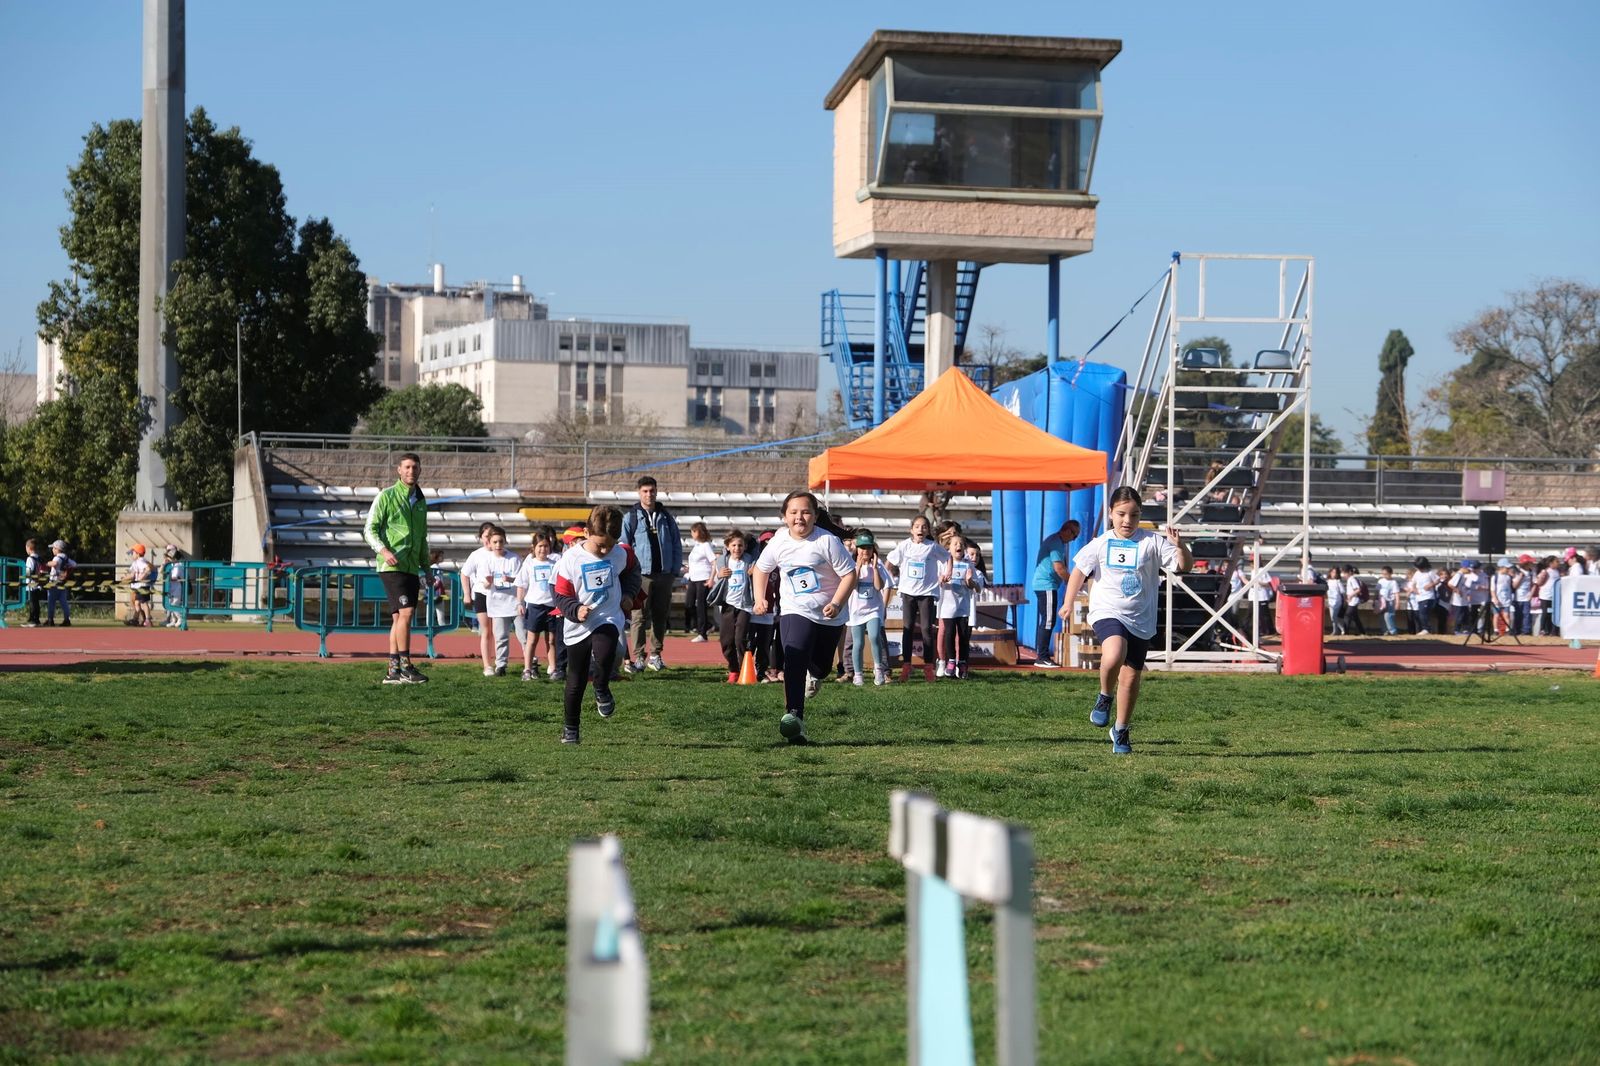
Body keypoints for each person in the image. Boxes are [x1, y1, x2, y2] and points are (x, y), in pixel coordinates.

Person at [1059, 487, 1192, 755]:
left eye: (1134, 515)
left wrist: (1181, 547)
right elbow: (1079, 571)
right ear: (1111, 513)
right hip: (1107, 610)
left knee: (1130, 679)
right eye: (1121, 514)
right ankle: (1104, 696)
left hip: (1141, 618)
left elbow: (1184, 567)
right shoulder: (1101, 543)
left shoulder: (1152, 542)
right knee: (1114, 653)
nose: (1127, 520)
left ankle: (1120, 730)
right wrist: (1068, 602)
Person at [752, 491, 858, 745]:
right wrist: (759, 599)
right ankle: (794, 717)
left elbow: (850, 575)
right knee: (794, 655)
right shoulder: (779, 540)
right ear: (784, 516)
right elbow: (760, 569)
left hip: (830, 615)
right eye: (793, 512)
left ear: (815, 516)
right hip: (795, 609)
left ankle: (815, 675)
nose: (799, 517)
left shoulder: (827, 541)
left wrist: (836, 603)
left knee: (821, 667)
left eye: (806, 512)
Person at [551, 505, 640, 744]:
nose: (604, 550)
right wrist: (575, 609)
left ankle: (601, 687)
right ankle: (571, 728)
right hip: (578, 624)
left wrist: (629, 594)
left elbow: (633, 570)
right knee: (576, 679)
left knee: (607, 650)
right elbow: (559, 594)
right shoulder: (570, 559)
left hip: (607, 616)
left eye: (609, 545)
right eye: (600, 545)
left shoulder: (621, 553)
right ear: (586, 533)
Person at [363, 452, 430, 684]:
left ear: (420, 470)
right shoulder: (386, 496)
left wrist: (427, 568)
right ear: (399, 470)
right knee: (407, 613)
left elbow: (422, 538)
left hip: (411, 568)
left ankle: (392, 672)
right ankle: (406, 666)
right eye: (407, 467)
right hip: (391, 566)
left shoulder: (420, 501)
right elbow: (369, 529)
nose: (411, 471)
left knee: (399, 619)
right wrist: (384, 551)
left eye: (415, 467)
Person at [620, 475, 682, 673]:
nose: (649, 494)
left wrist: (673, 570)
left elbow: (676, 544)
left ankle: (655, 655)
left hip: (664, 574)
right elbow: (624, 546)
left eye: (652, 491)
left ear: (657, 491)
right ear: (639, 493)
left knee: (660, 615)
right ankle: (639, 656)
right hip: (641, 575)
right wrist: (628, 572)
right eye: (645, 491)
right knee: (638, 616)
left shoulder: (666, 517)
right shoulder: (630, 518)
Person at [886, 515, 948, 680]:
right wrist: (886, 579)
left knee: (927, 629)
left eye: (924, 526)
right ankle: (907, 665)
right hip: (908, 593)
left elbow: (947, 557)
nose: (920, 529)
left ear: (928, 530)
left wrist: (947, 572)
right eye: (917, 526)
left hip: (926, 593)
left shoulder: (932, 546)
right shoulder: (904, 546)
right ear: (911, 530)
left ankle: (929, 667)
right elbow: (889, 561)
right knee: (908, 628)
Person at [1029, 519, 1079, 668]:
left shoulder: (1056, 541)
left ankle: (1042, 656)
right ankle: (1042, 657)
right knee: (1048, 620)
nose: (1074, 539)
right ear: (1068, 531)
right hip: (1047, 585)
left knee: (1047, 620)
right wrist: (1073, 582)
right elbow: (1059, 568)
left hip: (1045, 585)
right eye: (1075, 535)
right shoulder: (1056, 543)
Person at [847, 531, 894, 687]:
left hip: (873, 609)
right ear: (857, 549)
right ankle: (858, 674)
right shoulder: (851, 564)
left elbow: (879, 586)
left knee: (874, 636)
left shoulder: (878, 565)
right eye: (862, 548)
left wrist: (874, 569)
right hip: (856, 610)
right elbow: (852, 586)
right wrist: (858, 567)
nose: (865, 551)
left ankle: (878, 669)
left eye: (868, 547)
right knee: (858, 643)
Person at [476, 527, 522, 677]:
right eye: (495, 542)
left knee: (523, 635)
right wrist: (488, 583)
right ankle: (501, 665)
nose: (498, 545)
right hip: (497, 605)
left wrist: (509, 579)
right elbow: (484, 584)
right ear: (489, 543)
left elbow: (522, 580)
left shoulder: (514, 558)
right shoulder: (486, 560)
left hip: (515, 602)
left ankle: (531, 663)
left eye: (501, 541)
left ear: (505, 541)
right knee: (501, 636)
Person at [516, 527, 560, 681]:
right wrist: (520, 603)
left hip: (552, 607)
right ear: (534, 548)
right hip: (535, 606)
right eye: (540, 546)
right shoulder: (529, 564)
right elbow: (521, 585)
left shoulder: (556, 563)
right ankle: (527, 669)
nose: (543, 549)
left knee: (551, 640)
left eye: (546, 546)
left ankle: (553, 669)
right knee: (532, 640)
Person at [937, 534, 984, 679]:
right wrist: (941, 579)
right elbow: (936, 581)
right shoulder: (943, 563)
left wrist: (970, 582)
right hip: (947, 606)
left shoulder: (968, 564)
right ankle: (951, 661)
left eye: (961, 544)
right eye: (955, 544)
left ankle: (962, 663)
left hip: (963, 607)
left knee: (963, 635)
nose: (959, 546)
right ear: (949, 547)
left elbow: (977, 587)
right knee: (949, 633)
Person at [683, 522, 717, 643]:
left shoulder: (706, 545)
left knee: (701, 606)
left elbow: (714, 562)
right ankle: (707, 625)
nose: (692, 534)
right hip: (693, 578)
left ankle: (702, 634)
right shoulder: (696, 546)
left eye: (693, 531)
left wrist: (711, 579)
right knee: (689, 604)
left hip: (703, 578)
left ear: (699, 532)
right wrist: (688, 568)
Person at [44, 539, 74, 627]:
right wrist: (66, 572)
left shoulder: (57, 557)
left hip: (54, 583)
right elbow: (74, 564)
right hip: (62, 583)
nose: (52, 550)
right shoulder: (66, 558)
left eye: (53, 548)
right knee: (64, 602)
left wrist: (46, 563)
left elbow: (55, 563)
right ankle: (67, 619)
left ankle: (50, 620)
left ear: (58, 549)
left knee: (51, 602)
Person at [1407, 558, 1437, 636]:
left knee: (1423, 613)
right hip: (1419, 597)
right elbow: (1413, 582)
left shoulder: (1430, 572)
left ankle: (1426, 629)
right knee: (1421, 613)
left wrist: (1430, 585)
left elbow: (1437, 580)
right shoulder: (1417, 573)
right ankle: (1426, 629)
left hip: (1428, 596)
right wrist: (1414, 589)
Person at [126, 544, 154, 627]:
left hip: (143, 586)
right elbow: (132, 574)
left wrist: (143, 576)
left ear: (138, 554)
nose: (132, 555)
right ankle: (135, 619)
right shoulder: (136, 562)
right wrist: (125, 578)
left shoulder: (141, 561)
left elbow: (148, 569)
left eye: (133, 553)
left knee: (144, 603)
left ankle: (148, 620)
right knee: (137, 603)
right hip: (138, 586)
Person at [161, 545, 186, 627]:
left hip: (177, 588)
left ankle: (180, 618)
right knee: (170, 603)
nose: (167, 558)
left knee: (174, 604)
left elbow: (174, 577)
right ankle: (173, 620)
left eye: (169, 557)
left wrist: (167, 577)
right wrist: (163, 564)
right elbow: (161, 571)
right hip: (171, 587)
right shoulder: (171, 565)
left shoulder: (178, 565)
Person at [22, 538, 43, 627]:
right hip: (38, 584)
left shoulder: (30, 559)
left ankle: (33, 620)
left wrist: (26, 578)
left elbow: (28, 572)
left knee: (32, 602)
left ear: (28, 548)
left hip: (31, 584)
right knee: (36, 602)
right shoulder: (39, 558)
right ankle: (35, 619)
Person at [1342, 565, 1367, 636]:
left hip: (1353, 601)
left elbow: (1358, 589)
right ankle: (1362, 631)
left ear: (1349, 572)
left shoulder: (1352, 579)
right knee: (1355, 617)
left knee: (1347, 616)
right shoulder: (1350, 579)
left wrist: (1350, 596)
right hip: (1352, 601)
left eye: (1345, 573)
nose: (1344, 575)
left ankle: (1346, 632)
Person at [1377, 566, 1400, 636]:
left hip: (1390, 601)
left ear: (1390, 573)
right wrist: (1375, 600)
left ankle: (1393, 631)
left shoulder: (1393, 582)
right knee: (1381, 617)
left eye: (1386, 574)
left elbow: (1396, 593)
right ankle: (1385, 631)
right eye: (1383, 574)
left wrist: (1397, 602)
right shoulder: (1380, 581)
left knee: (1388, 616)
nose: (1384, 575)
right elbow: (1377, 591)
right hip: (1381, 601)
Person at [1325, 565, 1346, 635]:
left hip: (1337, 602)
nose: (1333, 574)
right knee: (1333, 618)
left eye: (1335, 572)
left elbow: (1343, 592)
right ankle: (1342, 629)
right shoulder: (1327, 581)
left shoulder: (1338, 582)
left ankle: (1336, 631)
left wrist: (1344, 601)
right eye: (1332, 572)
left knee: (1334, 617)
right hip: (1330, 602)